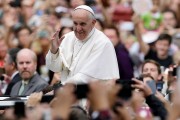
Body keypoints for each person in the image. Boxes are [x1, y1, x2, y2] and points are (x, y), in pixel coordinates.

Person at [46, 5, 119, 84]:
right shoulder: (67, 38)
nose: (78, 28)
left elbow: (87, 76)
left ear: (93, 23)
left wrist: (63, 87)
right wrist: (54, 51)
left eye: (82, 24)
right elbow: (55, 68)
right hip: (69, 90)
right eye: (75, 23)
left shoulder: (102, 43)